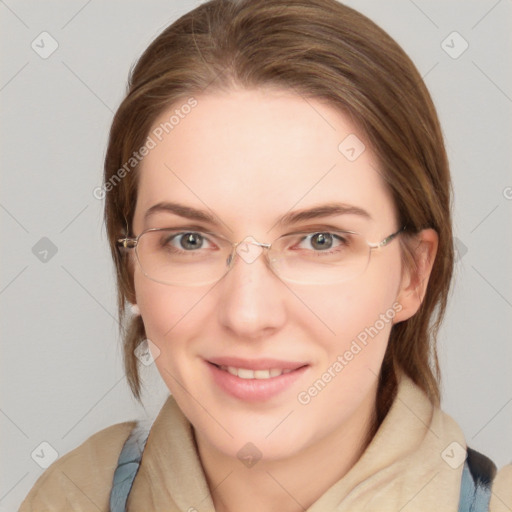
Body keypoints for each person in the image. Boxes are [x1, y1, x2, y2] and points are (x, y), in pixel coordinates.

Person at [20, 0, 512, 511]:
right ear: (131, 267)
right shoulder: (70, 496)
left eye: (320, 239)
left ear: (413, 273)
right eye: (190, 240)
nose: (248, 315)